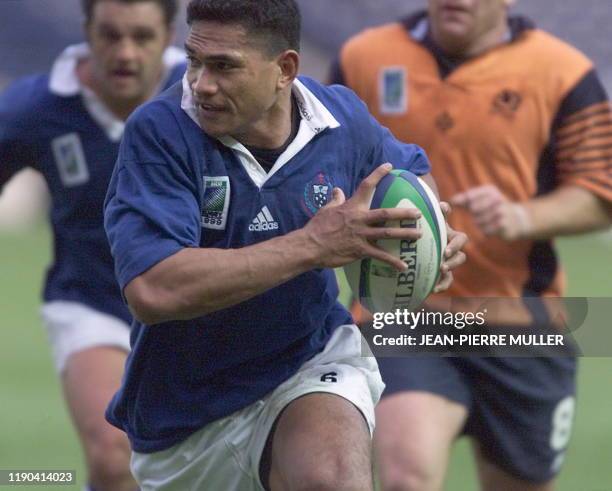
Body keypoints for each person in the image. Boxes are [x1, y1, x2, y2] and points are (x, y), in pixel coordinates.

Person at [102, 0, 467, 489]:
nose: (201, 83)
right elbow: (154, 290)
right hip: (186, 415)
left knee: (331, 479)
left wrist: (430, 238)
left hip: (308, 360)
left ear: (285, 69)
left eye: (224, 66)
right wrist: (314, 244)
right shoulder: (160, 133)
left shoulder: (340, 118)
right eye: (194, 60)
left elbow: (410, 173)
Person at [332, 0, 612, 490]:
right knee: (406, 477)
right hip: (404, 314)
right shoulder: (364, 58)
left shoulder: (563, 72)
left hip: (520, 323)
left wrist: (522, 216)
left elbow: (599, 194)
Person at [0, 1, 185, 489]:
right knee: (113, 454)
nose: (124, 52)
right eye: (109, 34)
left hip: (194, 304)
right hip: (90, 300)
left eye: (142, 36)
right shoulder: (36, 108)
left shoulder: (202, 96)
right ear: (86, 31)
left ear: (168, 35)